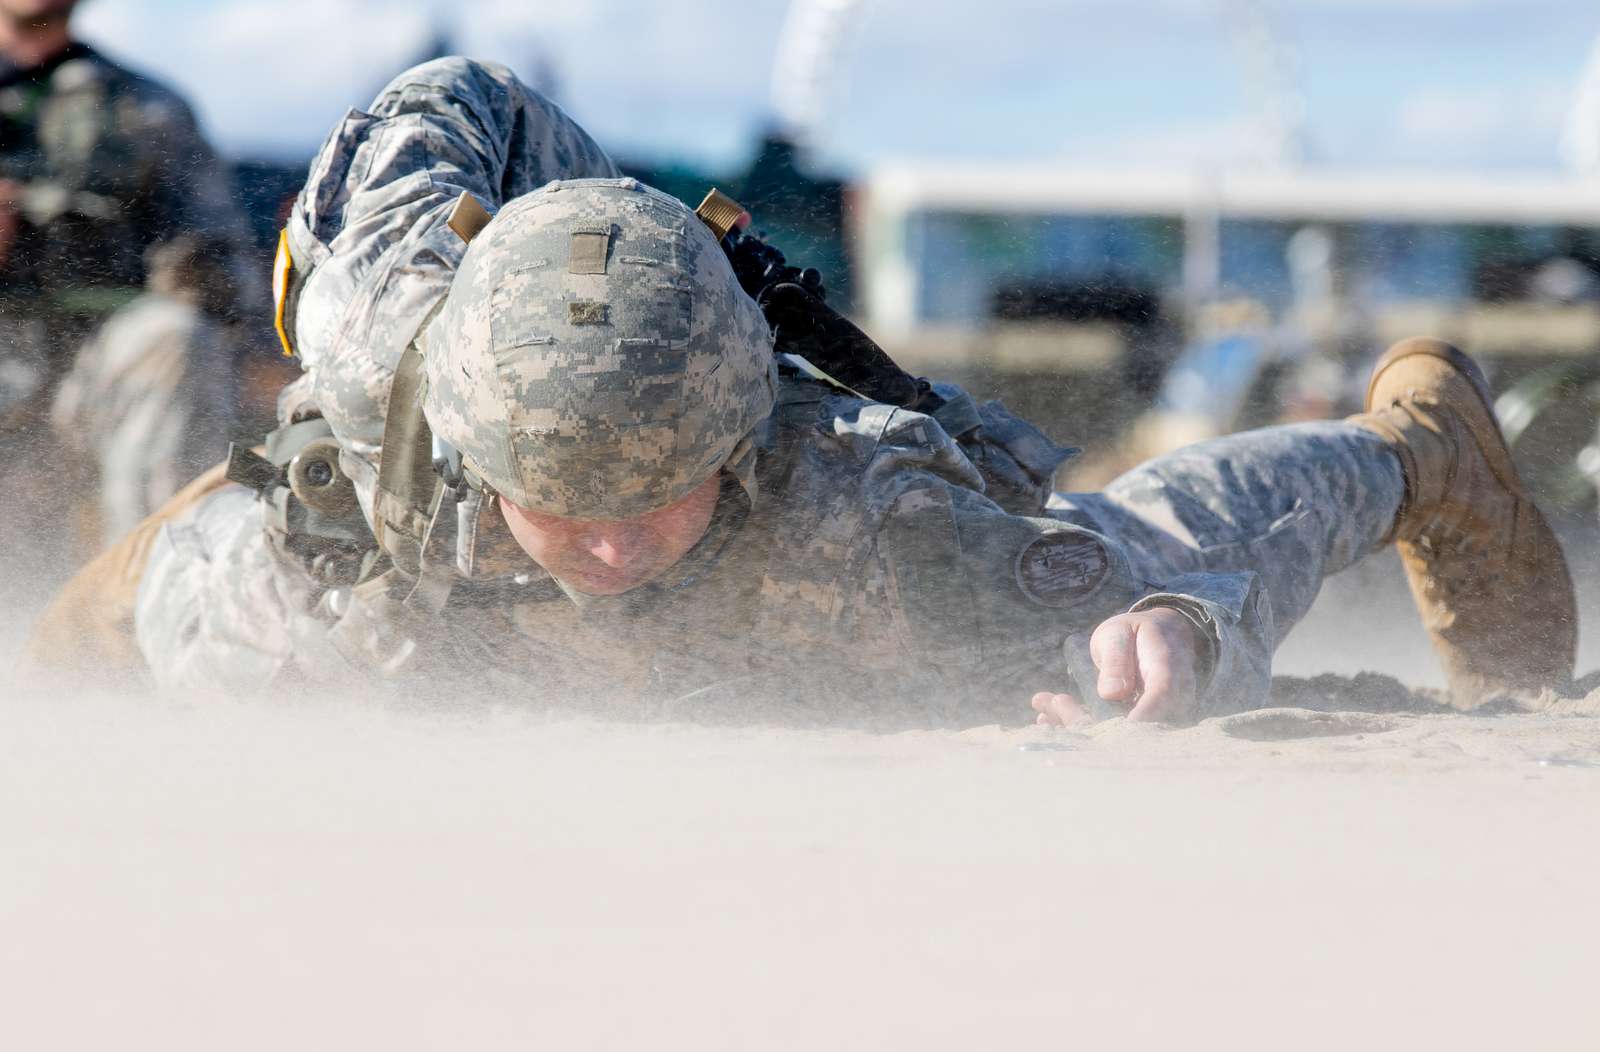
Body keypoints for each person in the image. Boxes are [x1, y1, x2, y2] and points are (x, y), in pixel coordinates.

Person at [34, 57, 1575, 725]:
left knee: (1141, 543)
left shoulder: (863, 502)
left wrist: (1170, 632)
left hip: (808, 477)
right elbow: (453, 109)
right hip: (398, 439)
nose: (621, 544)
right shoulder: (380, 356)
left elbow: (1155, 597)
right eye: (571, 508)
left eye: (655, 497)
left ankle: (1412, 448)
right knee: (192, 571)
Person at [0, 0, 256, 621]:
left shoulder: (145, 108)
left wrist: (183, 275)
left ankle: (152, 614)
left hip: (98, 379)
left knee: (175, 338)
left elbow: (229, 267)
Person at [49, 235, 239, 550]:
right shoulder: (199, 331)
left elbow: (70, 409)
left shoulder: (128, 322)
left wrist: (92, 456)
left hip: (121, 469)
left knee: (127, 567)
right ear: (196, 275)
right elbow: (218, 416)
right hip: (184, 478)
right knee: (175, 568)